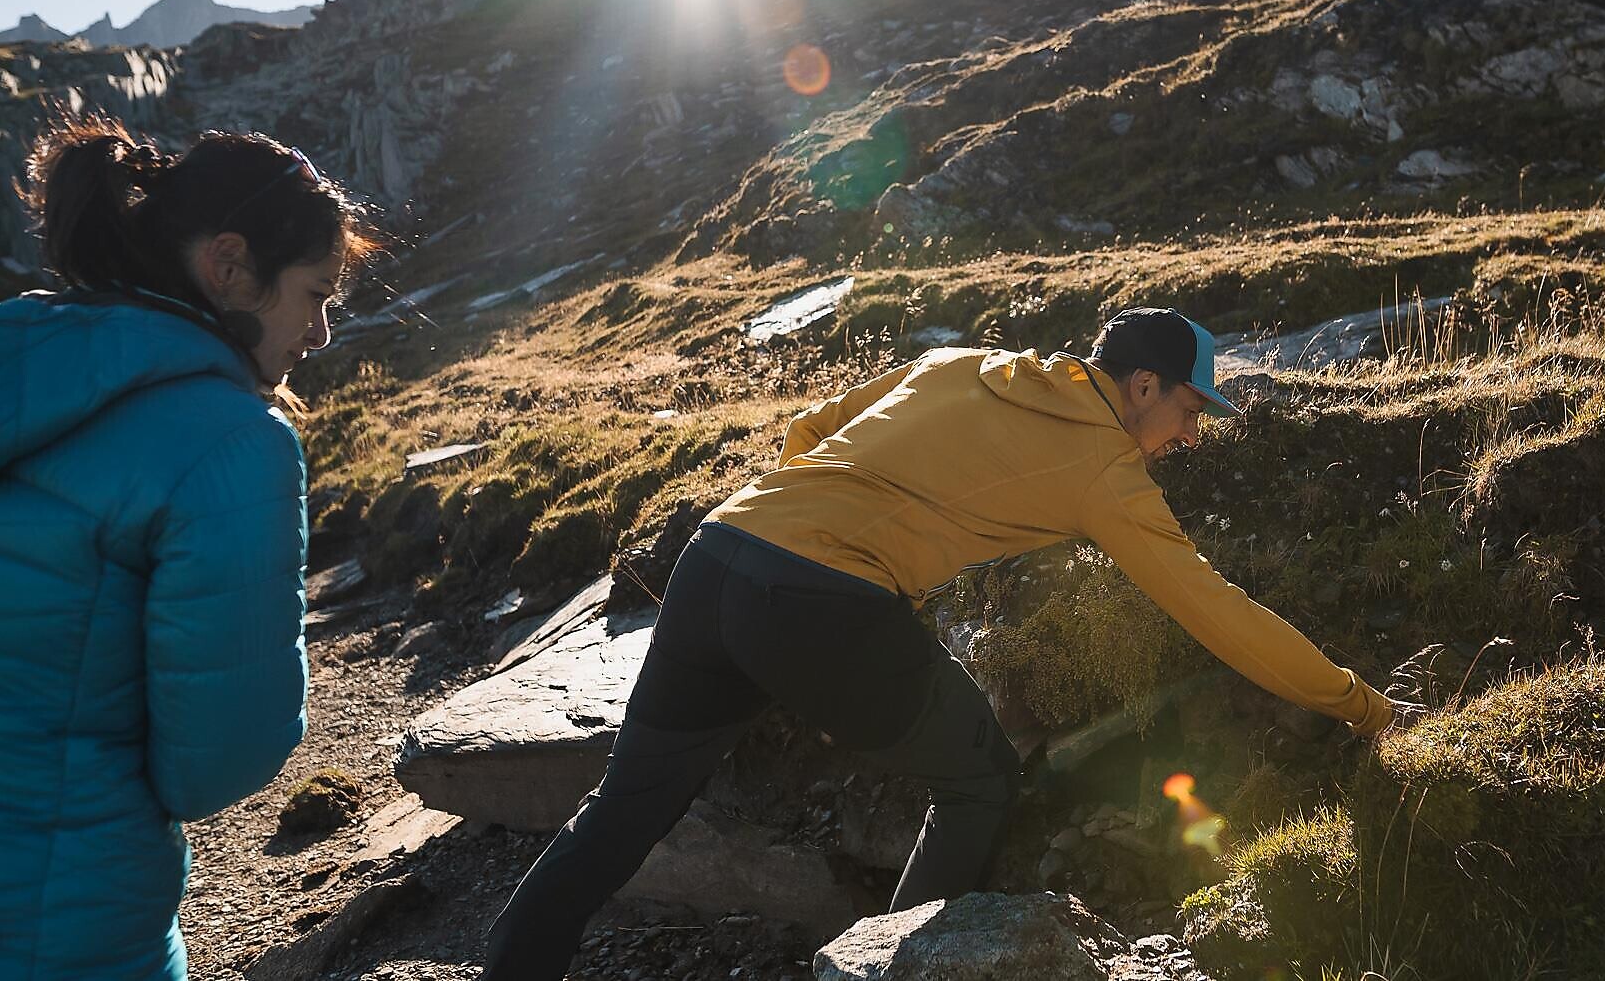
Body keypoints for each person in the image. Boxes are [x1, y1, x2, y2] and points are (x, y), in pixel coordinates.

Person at [483, 308, 1398, 979]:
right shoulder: (1106, 474)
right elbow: (1218, 612)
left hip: (718, 554)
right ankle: (892, 969)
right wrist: (1362, 707)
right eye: (1192, 411)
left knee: (626, 809)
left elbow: (811, 432)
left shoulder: (964, 363)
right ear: (1144, 386)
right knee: (981, 778)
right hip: (821, 601)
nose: (1191, 436)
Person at [0, 117, 376, 981]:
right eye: (315, 294)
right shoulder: (231, 443)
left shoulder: (19, 360)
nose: (320, 335)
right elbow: (216, 765)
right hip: (63, 921)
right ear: (229, 266)